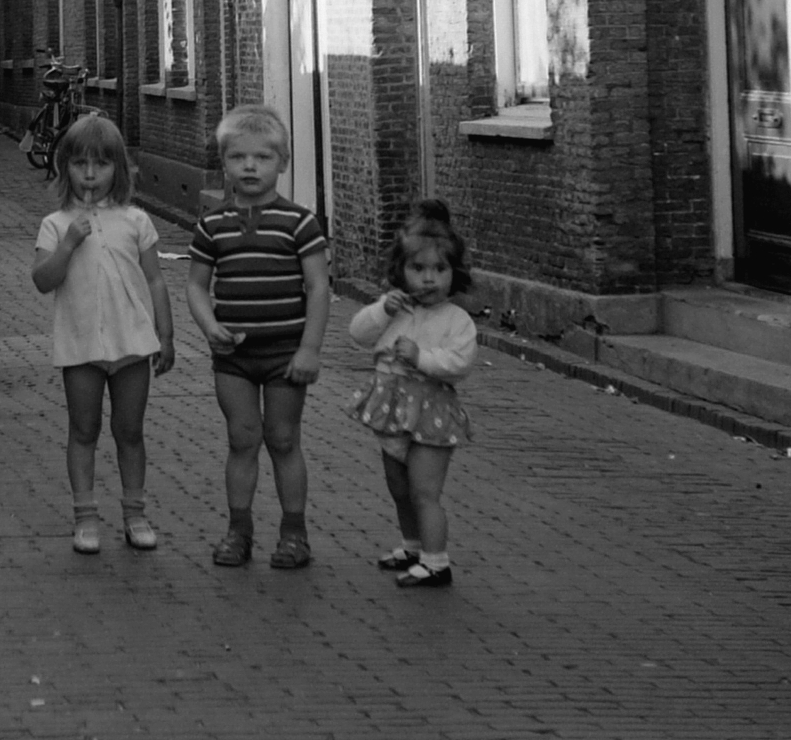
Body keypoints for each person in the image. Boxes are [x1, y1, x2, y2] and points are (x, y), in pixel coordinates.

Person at [186, 104, 330, 569]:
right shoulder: (212, 224)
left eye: (262, 157)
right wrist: (210, 327)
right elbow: (196, 286)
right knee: (241, 439)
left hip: (286, 354)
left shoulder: (300, 223)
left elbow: (318, 287)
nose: (250, 167)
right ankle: (239, 531)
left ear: (282, 162)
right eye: (238, 157)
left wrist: (309, 349)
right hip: (234, 357)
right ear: (224, 162)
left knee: (284, 439)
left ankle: (294, 534)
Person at [31, 112, 176, 554]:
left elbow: (155, 279)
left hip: (131, 343)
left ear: (119, 168)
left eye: (101, 164)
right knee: (84, 429)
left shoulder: (136, 221)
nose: (90, 174)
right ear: (65, 168)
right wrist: (69, 244)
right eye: (80, 164)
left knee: (130, 431)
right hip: (81, 346)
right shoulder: (55, 224)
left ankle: (135, 514)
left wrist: (166, 334)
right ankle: (85, 516)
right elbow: (43, 280)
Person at [347, 198, 477, 589]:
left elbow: (460, 362)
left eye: (439, 269)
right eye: (418, 269)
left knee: (424, 490)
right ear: (401, 271)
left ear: (454, 273)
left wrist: (422, 358)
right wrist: (382, 310)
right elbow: (358, 334)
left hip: (430, 413)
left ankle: (436, 562)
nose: (429, 279)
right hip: (392, 409)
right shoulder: (396, 309)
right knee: (399, 487)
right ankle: (412, 546)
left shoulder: (456, 319)